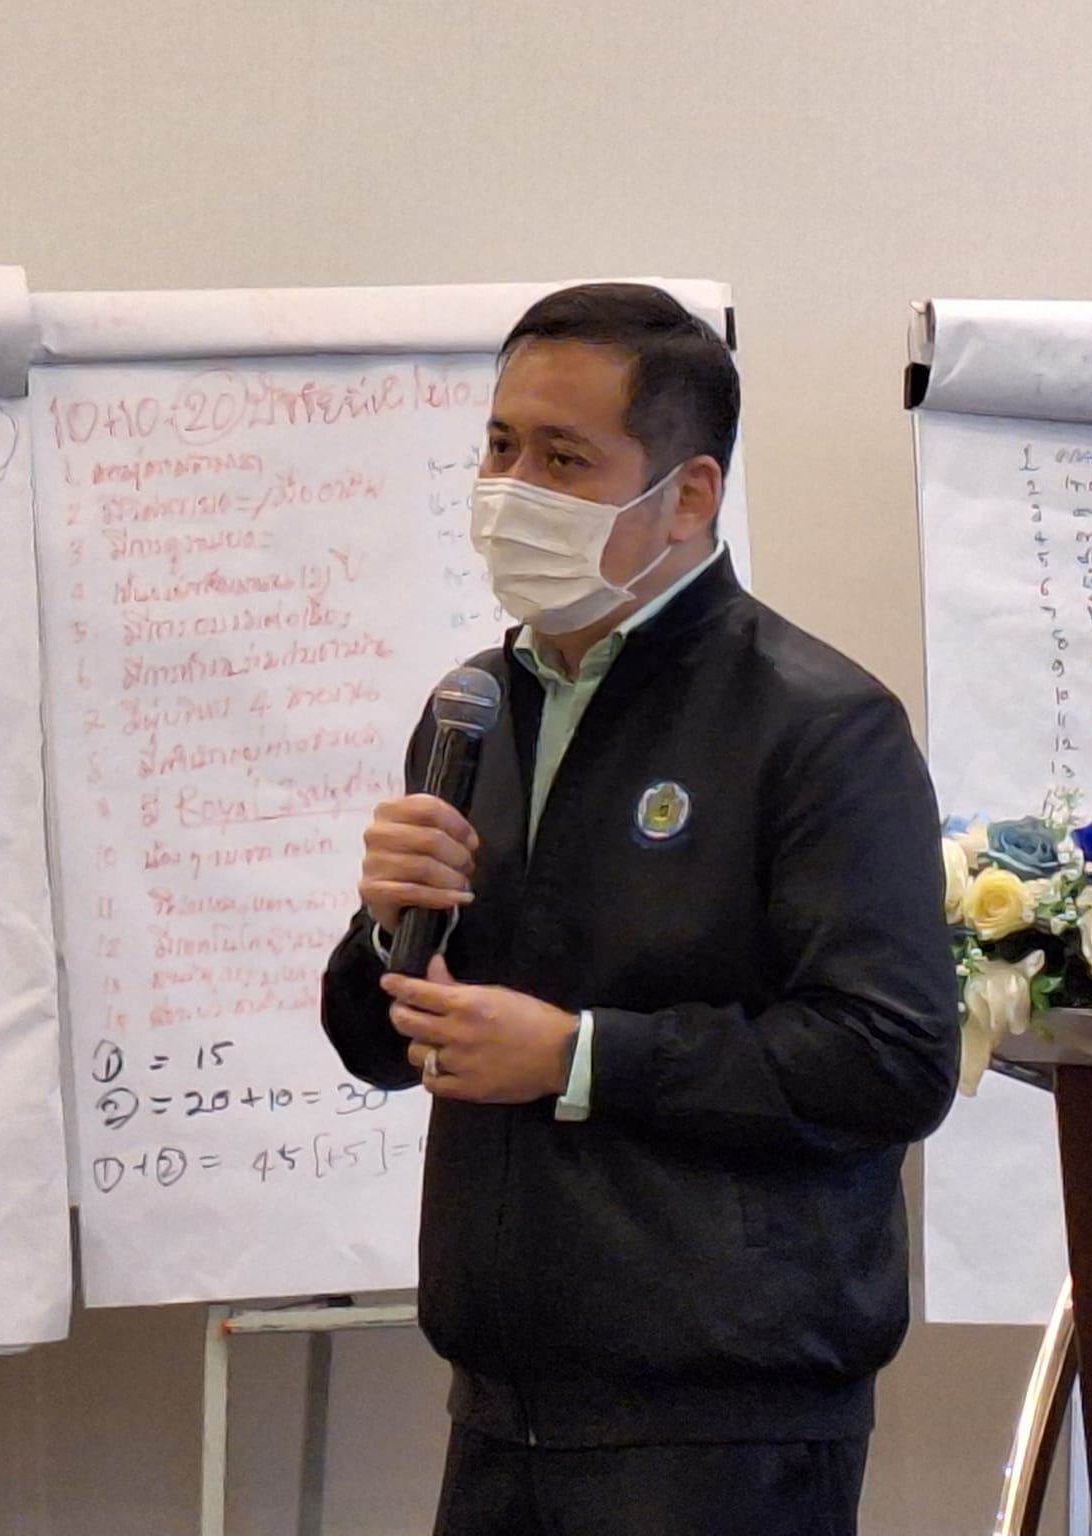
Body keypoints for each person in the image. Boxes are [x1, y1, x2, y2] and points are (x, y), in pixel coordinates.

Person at [319, 282, 958, 1536]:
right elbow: (383, 1045)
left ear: (688, 495)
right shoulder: (474, 708)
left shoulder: (817, 724)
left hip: (721, 1421)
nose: (512, 490)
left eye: (563, 459)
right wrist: (383, 927)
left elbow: (888, 1059)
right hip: (499, 1397)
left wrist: (581, 1058)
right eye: (499, 446)